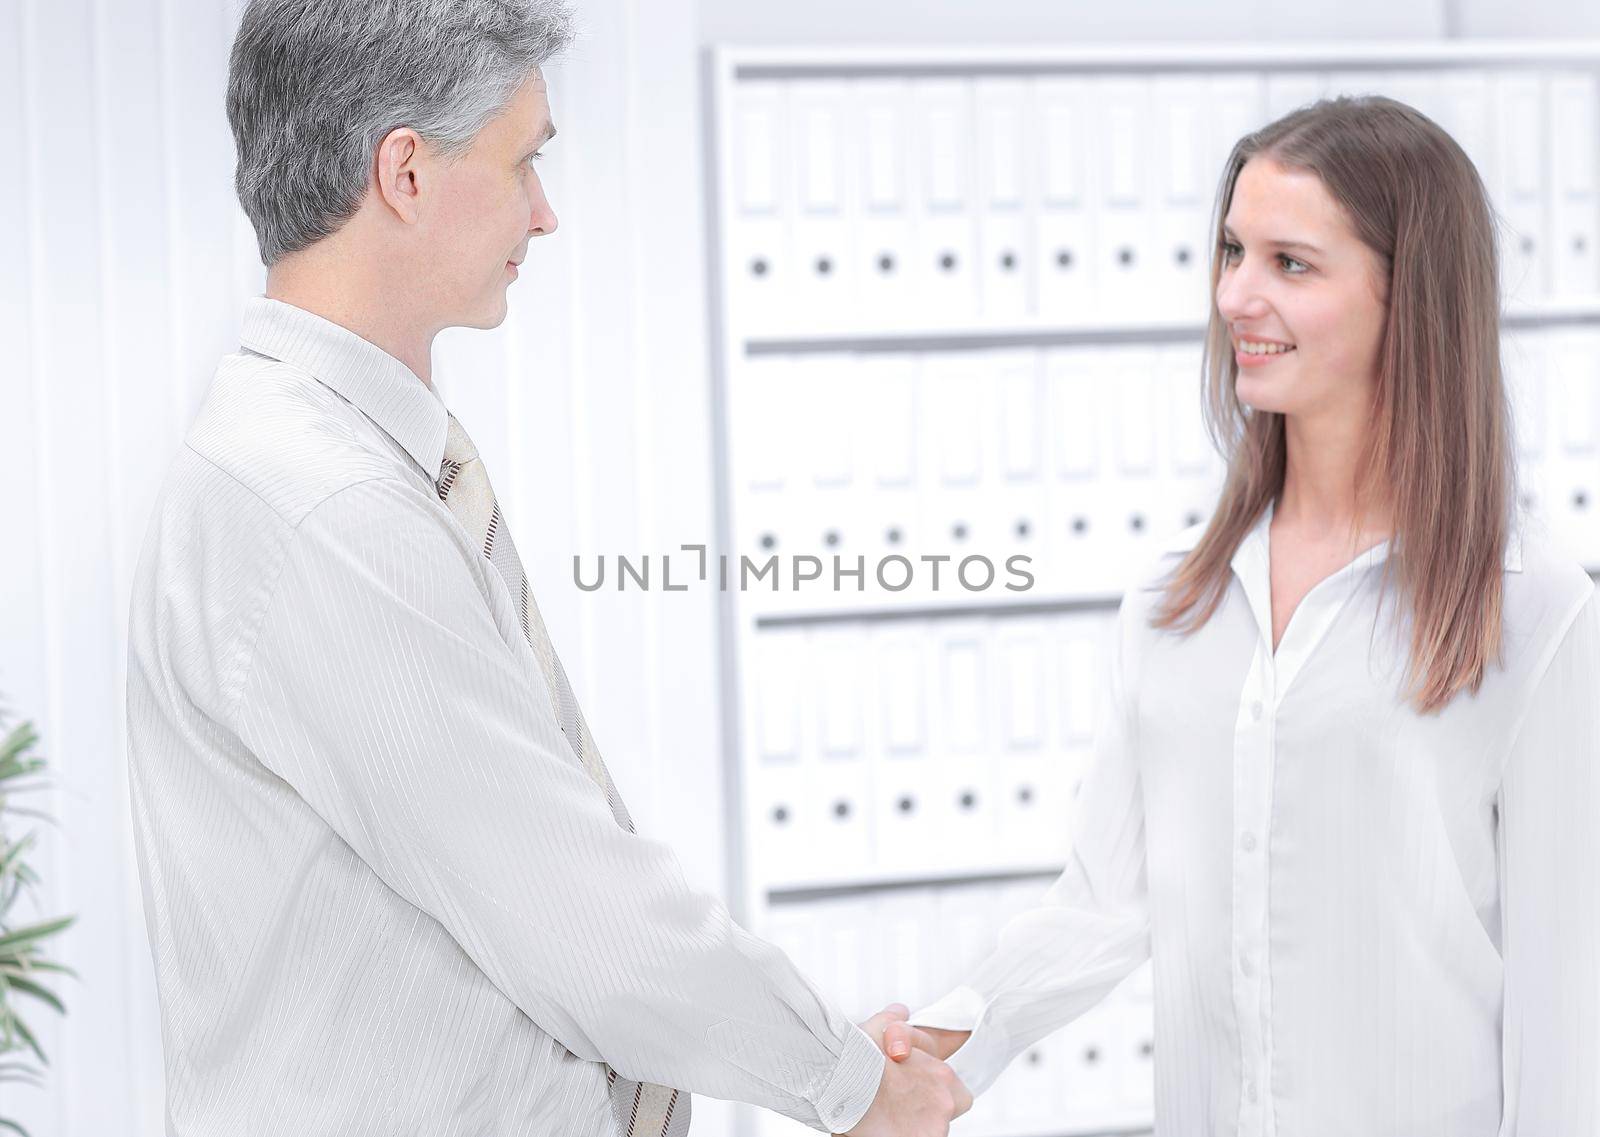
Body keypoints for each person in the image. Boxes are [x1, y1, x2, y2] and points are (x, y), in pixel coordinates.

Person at [123, 1, 966, 1134]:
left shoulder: (323, 464)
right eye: (524, 163)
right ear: (406, 174)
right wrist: (851, 1087)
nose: (546, 212)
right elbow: (577, 915)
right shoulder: (329, 506)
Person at [883, 96, 1600, 1135]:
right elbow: (1103, 903)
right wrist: (942, 1044)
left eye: (1289, 264)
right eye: (1230, 252)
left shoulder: (1535, 617)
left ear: (1409, 296)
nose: (1234, 297)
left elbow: (1566, 1007)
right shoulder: (1175, 611)